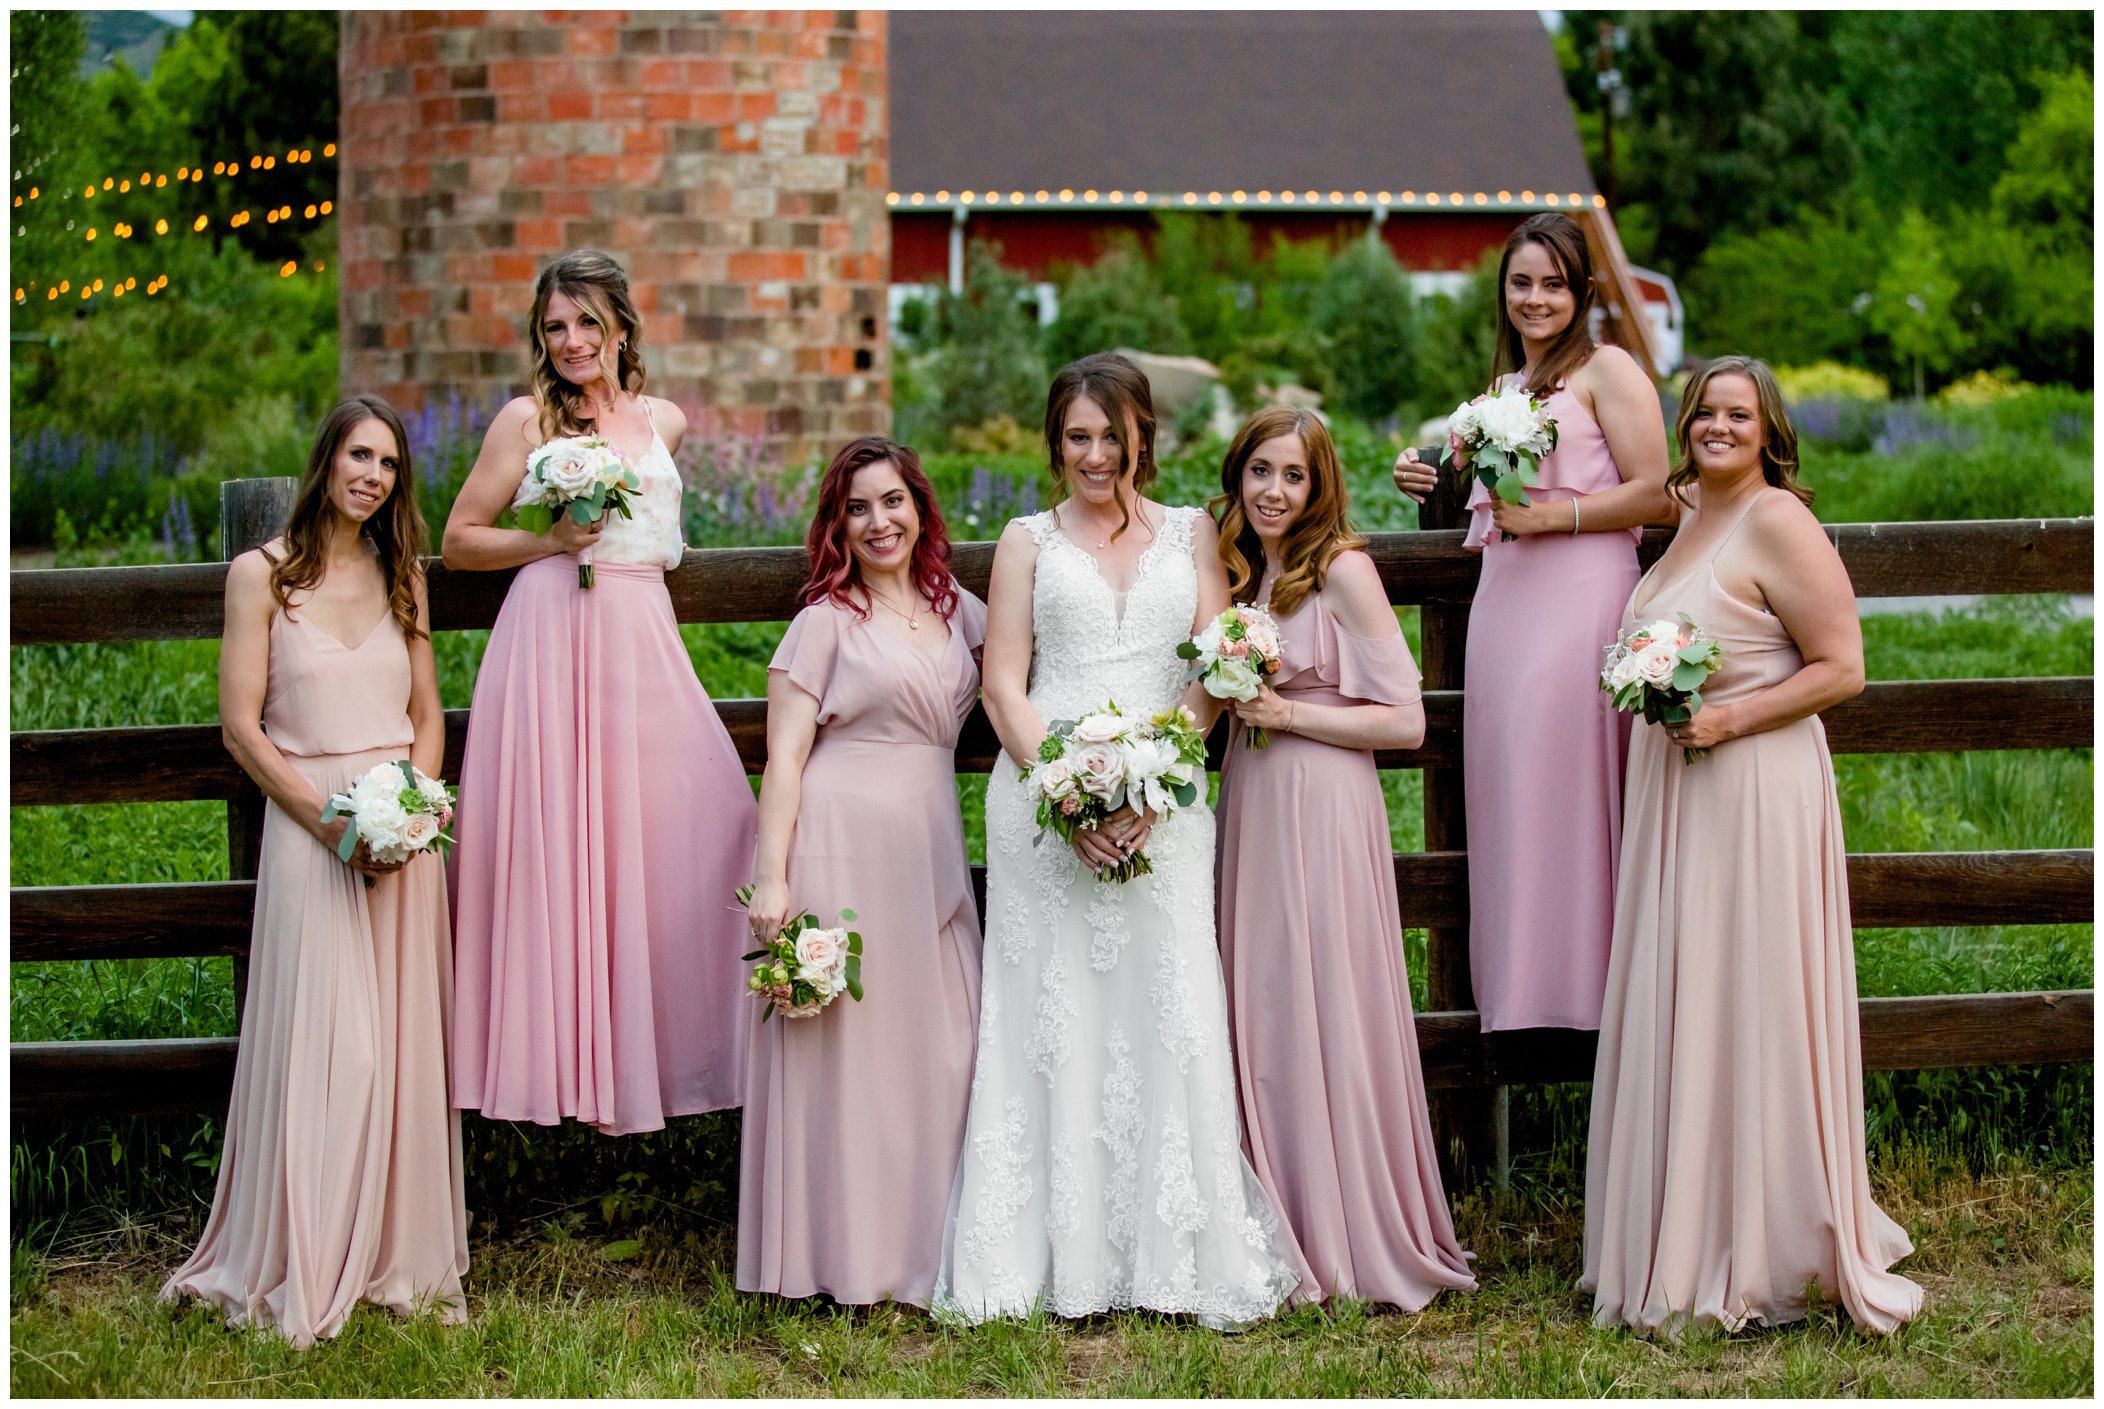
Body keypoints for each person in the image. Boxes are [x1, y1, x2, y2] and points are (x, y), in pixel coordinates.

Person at [938, 353, 1298, 1329]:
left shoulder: (1191, 534)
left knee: (1165, 1005)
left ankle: (1169, 1254)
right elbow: (1002, 683)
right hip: (1044, 802)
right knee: (1052, 1014)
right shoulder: (1024, 540)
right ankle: (1053, 1254)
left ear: (1143, 433)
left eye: (1111, 434)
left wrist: (1157, 779)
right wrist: (1065, 791)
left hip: (1166, 797)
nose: (1094, 455)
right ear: (1055, 444)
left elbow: (1212, 667)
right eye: (1075, 438)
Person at [1582, 356, 1923, 1335]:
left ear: (1768, 431)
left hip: (1754, 783)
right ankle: (1682, 1225)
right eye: (1703, 413)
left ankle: (1763, 1233)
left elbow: (1843, 667)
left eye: (1737, 414)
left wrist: (1730, 722)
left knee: (1751, 986)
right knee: (1690, 983)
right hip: (1677, 792)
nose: (1717, 427)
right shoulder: (1689, 519)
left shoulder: (1778, 519)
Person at [163, 397, 467, 1346]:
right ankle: (302, 1249)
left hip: (400, 837)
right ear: (326, 460)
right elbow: (240, 728)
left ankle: (390, 1253)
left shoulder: (404, 576)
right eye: (358, 455)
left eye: (388, 463)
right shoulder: (261, 577)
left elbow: (429, 715)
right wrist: (331, 825)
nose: (372, 476)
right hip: (313, 834)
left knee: (399, 1054)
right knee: (336, 1053)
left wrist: (411, 812)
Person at [443, 249, 756, 1136]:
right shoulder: (526, 420)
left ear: (621, 324)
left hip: (641, 637)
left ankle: (660, 1055)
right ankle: (548, 1074)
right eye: (555, 326)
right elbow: (462, 538)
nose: (572, 340)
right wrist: (548, 542)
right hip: (551, 637)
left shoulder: (667, 420)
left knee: (701, 821)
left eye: (587, 321)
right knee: (559, 844)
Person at [1211, 407, 1476, 1311]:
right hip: (1250, 800)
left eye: (1293, 475)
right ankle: (1269, 1217)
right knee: (1266, 995)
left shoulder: (1344, 571)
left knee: (1326, 995)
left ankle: (1348, 1230)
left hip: (1324, 802)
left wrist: (1290, 715)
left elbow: (1405, 719)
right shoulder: (1241, 572)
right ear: (1237, 477)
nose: (1274, 491)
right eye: (1259, 472)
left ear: (1320, 483)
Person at [1392, 212, 1673, 1033]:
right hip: (1505, 608)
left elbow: (1656, 490)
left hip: (1580, 597)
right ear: (1503, 292)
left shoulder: (1608, 371)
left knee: (1576, 786)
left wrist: (1556, 520)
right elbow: (1490, 495)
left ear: (1582, 291)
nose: (1536, 298)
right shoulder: (1501, 394)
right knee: (1512, 787)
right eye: (1522, 282)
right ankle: (1522, 993)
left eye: (1553, 283)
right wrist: (1429, 473)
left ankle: (1597, 994)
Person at [736, 437, 987, 1308]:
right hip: (837, 846)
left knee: (942, 1042)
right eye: (857, 507)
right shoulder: (825, 621)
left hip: (927, 843)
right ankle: (836, 1256)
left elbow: (1040, 671)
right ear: (837, 523)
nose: (878, 521)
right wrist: (772, 880)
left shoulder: (963, 610)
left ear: (920, 508)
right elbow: (786, 759)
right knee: (845, 1056)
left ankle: (927, 1247)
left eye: (892, 501)